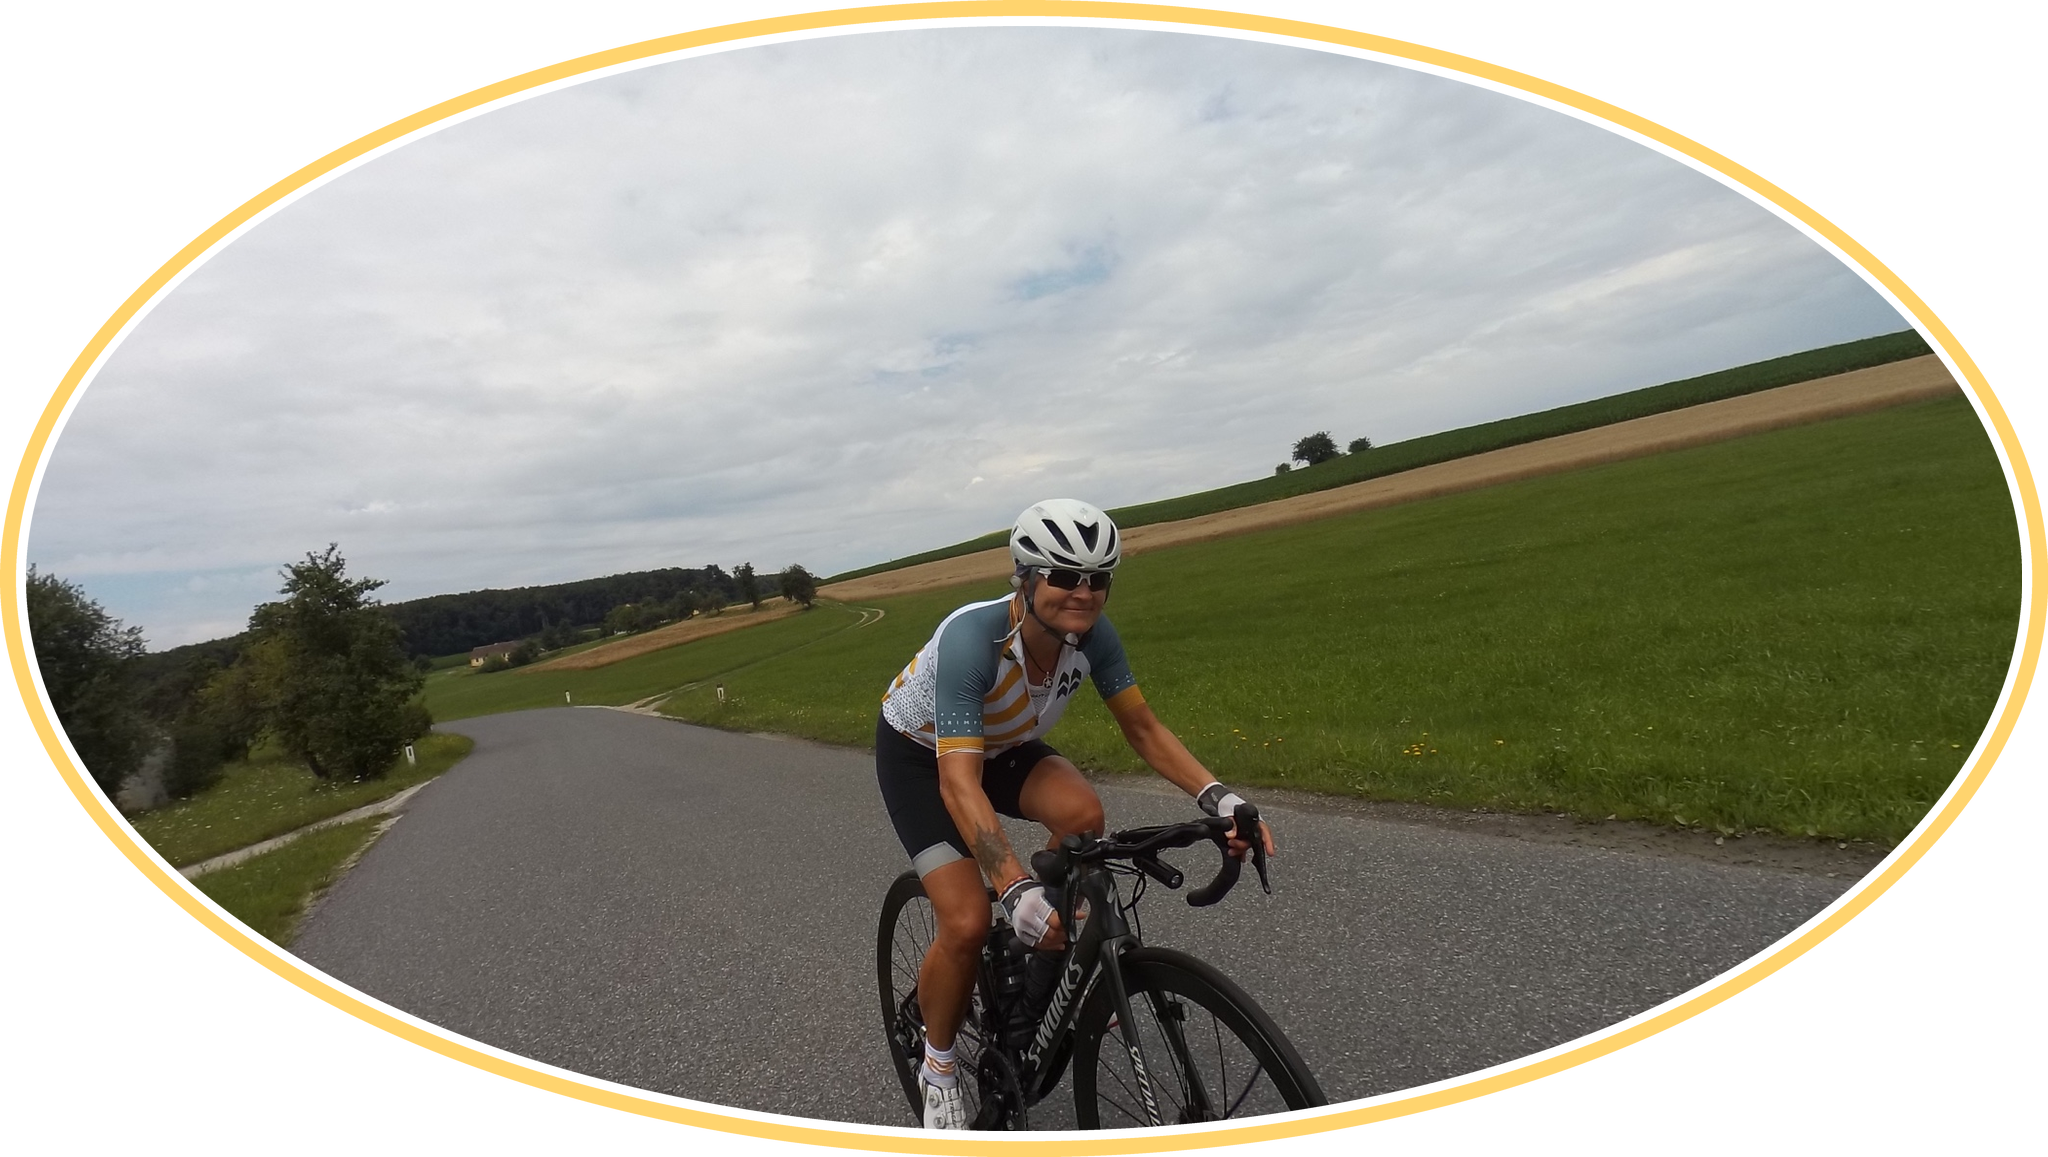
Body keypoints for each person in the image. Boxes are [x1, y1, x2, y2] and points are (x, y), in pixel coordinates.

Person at [874, 498, 1276, 1130]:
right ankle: (939, 1066)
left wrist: (1220, 798)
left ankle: (1042, 960)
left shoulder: (1092, 638)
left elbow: (1143, 729)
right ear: (1025, 578)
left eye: (1098, 578)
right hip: (924, 759)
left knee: (1083, 815)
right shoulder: (974, 639)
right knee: (967, 918)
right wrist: (1013, 885)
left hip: (1001, 745)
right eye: (1064, 576)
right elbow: (958, 782)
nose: (1083, 593)